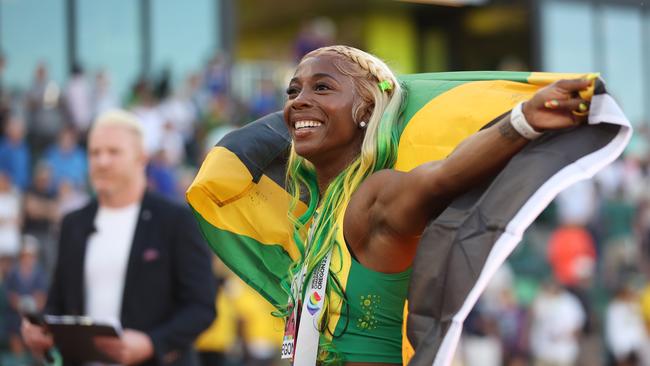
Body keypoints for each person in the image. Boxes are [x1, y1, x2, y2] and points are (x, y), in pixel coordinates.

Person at [271, 45, 595, 365]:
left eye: (322, 87)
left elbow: (443, 175)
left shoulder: (374, 198)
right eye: (293, 91)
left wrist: (522, 121)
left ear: (366, 109)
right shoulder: (319, 213)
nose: (299, 101)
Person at [21, 109, 216, 365]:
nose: (102, 161)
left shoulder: (176, 221)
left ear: (141, 158)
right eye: (94, 153)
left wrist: (151, 343)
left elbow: (201, 307)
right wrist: (41, 329)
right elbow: (59, 302)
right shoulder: (73, 224)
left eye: (113, 152)